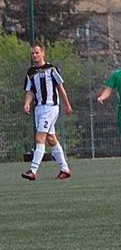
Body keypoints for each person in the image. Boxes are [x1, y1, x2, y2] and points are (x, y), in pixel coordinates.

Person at [21, 44, 73, 181]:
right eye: (32, 54)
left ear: (43, 53)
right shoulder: (31, 72)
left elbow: (60, 87)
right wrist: (27, 103)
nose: (34, 56)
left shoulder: (51, 69)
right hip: (39, 108)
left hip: (50, 107)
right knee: (51, 139)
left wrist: (67, 105)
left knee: (40, 138)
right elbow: (30, 91)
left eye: (37, 53)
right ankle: (65, 169)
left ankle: (33, 170)